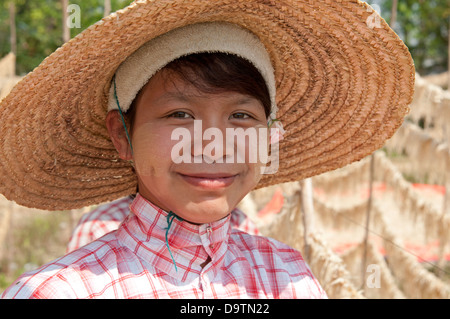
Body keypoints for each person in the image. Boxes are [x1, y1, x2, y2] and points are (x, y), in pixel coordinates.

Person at [0, 0, 414, 299]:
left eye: (241, 117)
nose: (213, 145)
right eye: (180, 114)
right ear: (122, 135)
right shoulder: (60, 291)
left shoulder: (288, 274)